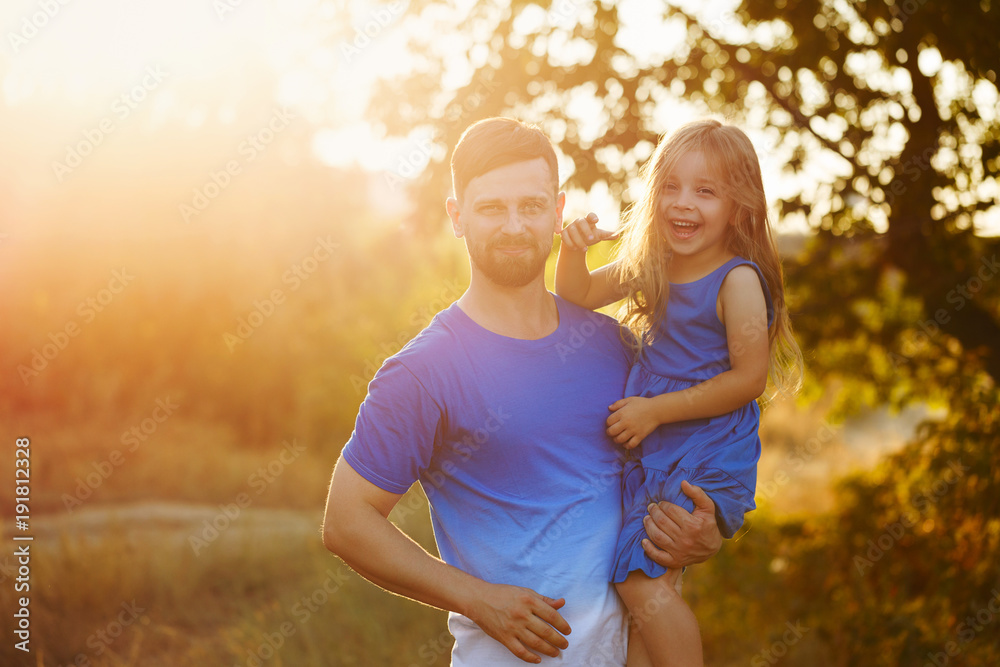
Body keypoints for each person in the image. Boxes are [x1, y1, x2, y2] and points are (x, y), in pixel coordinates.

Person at [322, 117, 725, 666]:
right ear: (457, 216)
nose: (514, 225)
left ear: (557, 213)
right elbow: (346, 521)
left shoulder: (619, 348)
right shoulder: (423, 371)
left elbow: (678, 472)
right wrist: (477, 599)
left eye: (532, 206)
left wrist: (706, 534)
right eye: (491, 208)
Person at [554, 119, 804, 666]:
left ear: (739, 206)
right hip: (659, 444)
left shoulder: (737, 280)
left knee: (642, 585)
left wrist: (655, 411)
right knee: (645, 594)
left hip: (704, 447)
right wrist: (573, 249)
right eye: (670, 186)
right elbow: (577, 295)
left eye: (705, 190)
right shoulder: (656, 265)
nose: (682, 203)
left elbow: (748, 380)